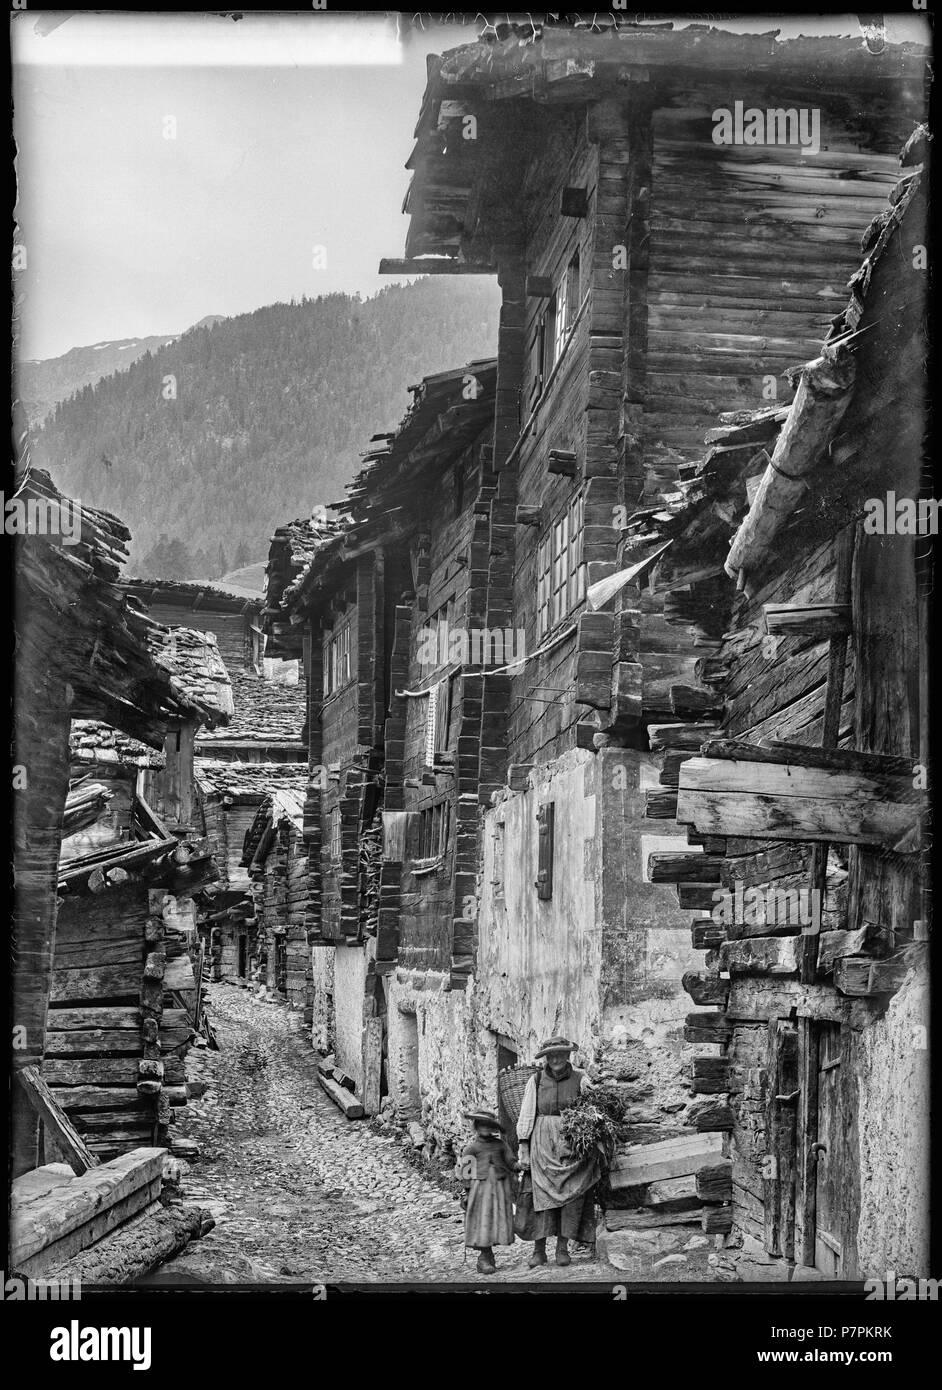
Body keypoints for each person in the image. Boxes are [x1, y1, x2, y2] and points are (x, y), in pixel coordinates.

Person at [515, 1036, 598, 1267]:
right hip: (541, 1145)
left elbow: (591, 1111)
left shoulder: (581, 1079)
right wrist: (523, 1144)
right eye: (551, 1055)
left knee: (571, 1195)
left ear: (568, 1056)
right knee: (539, 1196)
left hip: (571, 1145)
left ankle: (562, 1249)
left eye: (560, 1054)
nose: (555, 1059)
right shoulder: (537, 1079)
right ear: (545, 1058)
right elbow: (527, 1113)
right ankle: (538, 1250)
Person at [458, 1109, 518, 1275]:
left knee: (496, 1221)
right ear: (476, 1127)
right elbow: (465, 1172)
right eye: (481, 1124)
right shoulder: (471, 1148)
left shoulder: (501, 1145)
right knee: (482, 1222)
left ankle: (489, 1255)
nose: (484, 1128)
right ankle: (484, 1257)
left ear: (493, 1128)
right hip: (480, 1190)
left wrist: (519, 1166)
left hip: (499, 1188)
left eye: (488, 1125)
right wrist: (467, 1193)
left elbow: (511, 1162)